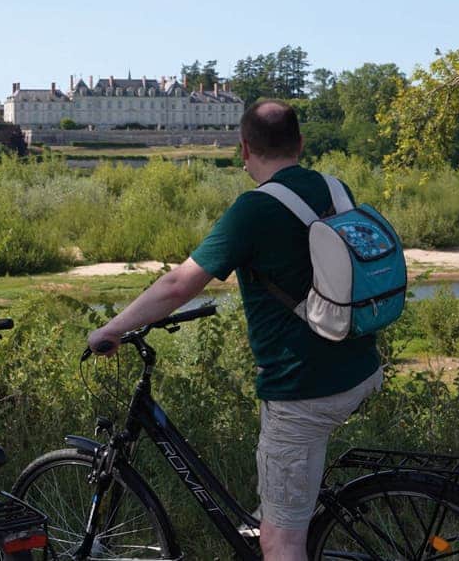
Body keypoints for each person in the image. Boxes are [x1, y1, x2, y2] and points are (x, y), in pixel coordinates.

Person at [86, 100, 384, 561]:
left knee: (279, 541)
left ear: (243, 149)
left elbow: (177, 284)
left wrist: (113, 328)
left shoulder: (253, 210)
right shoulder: (334, 187)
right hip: (361, 364)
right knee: (288, 499)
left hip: (304, 389)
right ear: (300, 144)